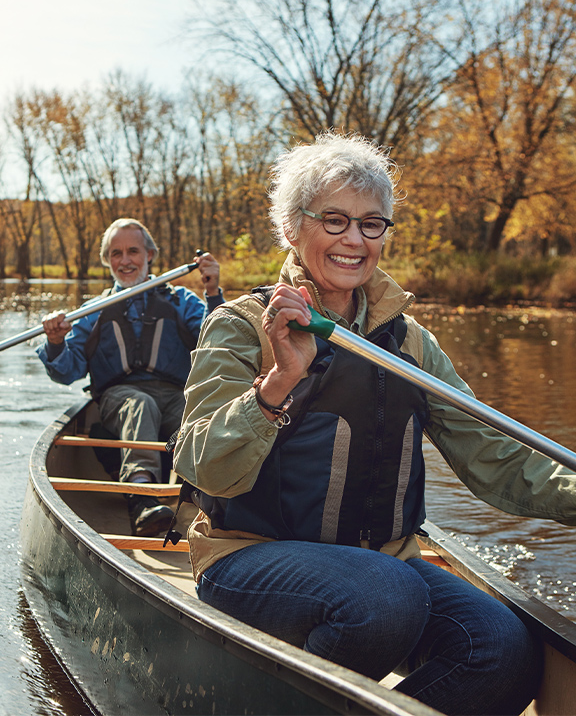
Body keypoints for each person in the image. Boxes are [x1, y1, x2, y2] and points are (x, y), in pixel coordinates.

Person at [171, 132, 576, 715]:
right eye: (334, 220)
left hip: (387, 565)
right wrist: (278, 384)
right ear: (292, 228)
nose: (354, 240)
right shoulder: (241, 326)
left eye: (372, 224)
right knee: (386, 598)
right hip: (252, 559)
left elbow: (496, 457)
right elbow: (202, 464)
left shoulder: (410, 342)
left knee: (503, 651)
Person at [38, 217, 224, 538]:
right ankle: (142, 497)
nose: (125, 261)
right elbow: (66, 371)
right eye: (116, 253)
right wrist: (55, 342)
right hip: (118, 399)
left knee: (197, 411)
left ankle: (211, 497)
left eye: (133, 251)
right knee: (140, 404)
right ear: (107, 261)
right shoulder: (93, 311)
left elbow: (219, 345)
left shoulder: (182, 302)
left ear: (149, 255)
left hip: (174, 396)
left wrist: (212, 292)